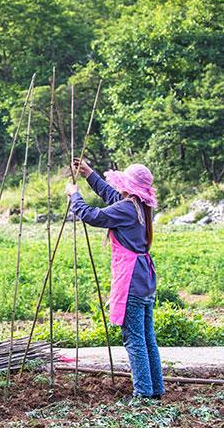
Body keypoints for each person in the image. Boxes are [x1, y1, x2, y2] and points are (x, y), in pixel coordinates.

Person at [66, 160, 163, 400]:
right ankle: (155, 388)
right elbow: (111, 195)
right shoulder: (140, 206)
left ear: (128, 187)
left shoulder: (128, 208)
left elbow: (92, 215)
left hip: (131, 279)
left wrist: (74, 196)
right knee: (147, 338)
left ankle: (142, 393)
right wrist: (89, 174)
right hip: (144, 279)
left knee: (134, 339)